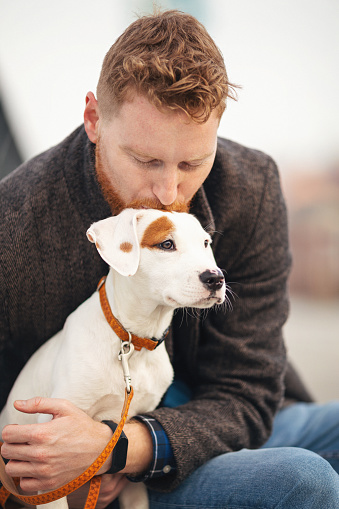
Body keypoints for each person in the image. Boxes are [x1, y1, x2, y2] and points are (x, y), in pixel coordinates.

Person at [0, 9, 338, 509]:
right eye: (146, 160)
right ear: (94, 119)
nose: (168, 191)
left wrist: (123, 449)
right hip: (86, 480)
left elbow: (247, 389)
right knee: (303, 480)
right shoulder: (14, 223)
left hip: (217, 423)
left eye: (193, 162)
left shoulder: (253, 187)